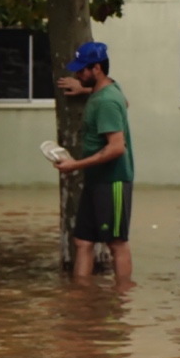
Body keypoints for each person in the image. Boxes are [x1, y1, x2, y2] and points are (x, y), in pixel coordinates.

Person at [53, 41, 135, 280]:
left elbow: (117, 148)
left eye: (82, 70)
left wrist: (74, 166)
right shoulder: (109, 90)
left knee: (116, 243)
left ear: (96, 69)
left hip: (113, 181)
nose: (77, 74)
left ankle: (122, 303)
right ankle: (82, 304)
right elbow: (125, 102)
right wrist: (84, 89)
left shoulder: (106, 101)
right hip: (96, 180)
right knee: (82, 241)